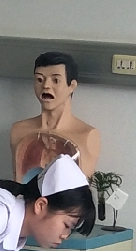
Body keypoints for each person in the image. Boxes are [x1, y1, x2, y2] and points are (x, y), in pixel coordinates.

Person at [9, 50, 103, 179]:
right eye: (39, 79)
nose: (46, 86)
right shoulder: (18, 131)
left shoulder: (87, 135)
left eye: (56, 80)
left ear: (72, 86)